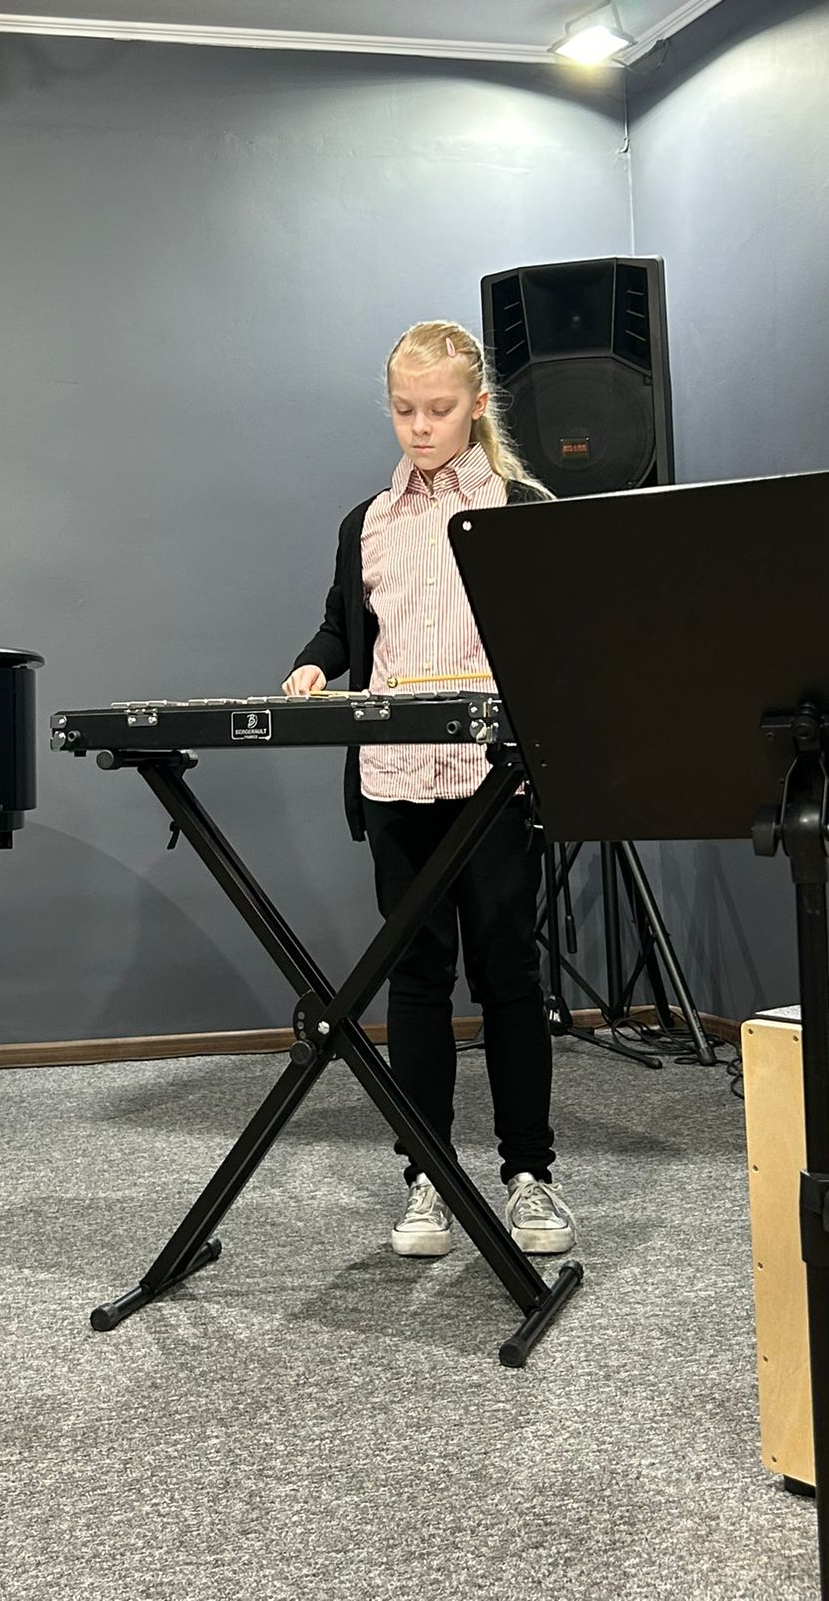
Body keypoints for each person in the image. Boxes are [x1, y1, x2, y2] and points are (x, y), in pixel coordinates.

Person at [282, 319, 575, 1259]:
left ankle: (529, 1174)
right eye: (404, 410)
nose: (419, 426)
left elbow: (562, 638)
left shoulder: (522, 508)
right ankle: (426, 1177)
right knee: (414, 978)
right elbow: (344, 626)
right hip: (396, 778)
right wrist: (315, 664)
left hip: (495, 781)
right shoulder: (366, 522)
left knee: (507, 974)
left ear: (477, 406)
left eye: (439, 409)